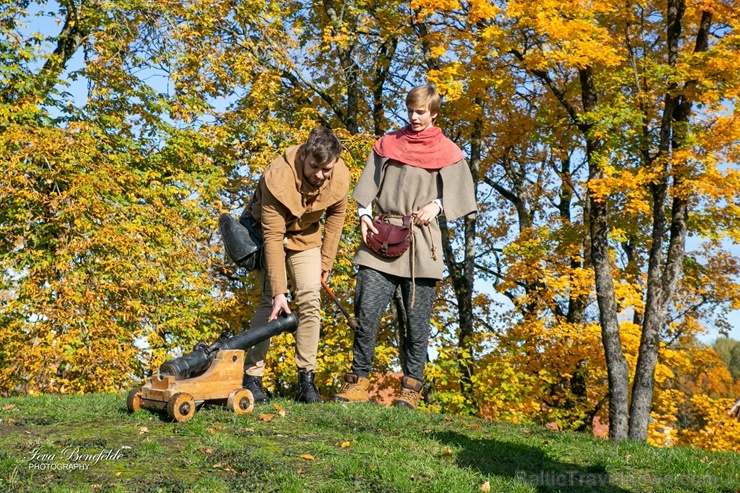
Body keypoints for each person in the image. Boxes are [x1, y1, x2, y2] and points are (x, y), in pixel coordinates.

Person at [332, 85, 477, 409]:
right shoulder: (388, 144)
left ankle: (410, 390)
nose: (414, 117)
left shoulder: (449, 152)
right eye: (410, 110)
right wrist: (364, 215)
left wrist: (437, 206)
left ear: (434, 113)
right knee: (366, 313)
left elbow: (462, 194)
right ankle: (358, 382)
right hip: (381, 237)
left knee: (416, 323)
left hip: (421, 242)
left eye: (421, 112)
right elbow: (366, 189)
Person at [240, 127, 350, 404]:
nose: (320, 175)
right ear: (303, 154)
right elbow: (274, 238)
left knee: (311, 298)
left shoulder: (339, 176)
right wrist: (280, 291)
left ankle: (306, 382)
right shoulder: (277, 177)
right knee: (270, 303)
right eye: (314, 167)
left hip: (306, 238)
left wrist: (326, 261)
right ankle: (252, 378)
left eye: (327, 169)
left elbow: (337, 216)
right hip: (269, 236)